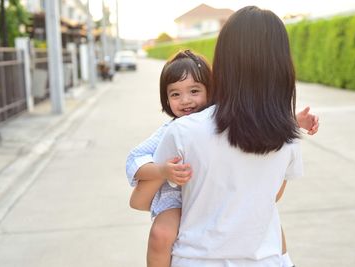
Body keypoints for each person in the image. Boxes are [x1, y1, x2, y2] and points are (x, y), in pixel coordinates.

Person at [128, 51, 318, 267]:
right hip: (175, 196)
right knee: (161, 234)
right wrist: (162, 171)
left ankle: (284, 261)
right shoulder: (172, 130)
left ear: (211, 91)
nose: (186, 101)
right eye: (175, 95)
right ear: (166, 98)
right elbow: (135, 159)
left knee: (271, 222)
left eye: (194, 91)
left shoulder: (228, 121)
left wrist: (292, 121)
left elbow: (262, 121)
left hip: (215, 201)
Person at [152, 6, 306, 266]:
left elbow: (155, 196)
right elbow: (272, 196)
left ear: (222, 61)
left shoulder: (183, 131)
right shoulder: (287, 136)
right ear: (282, 66)